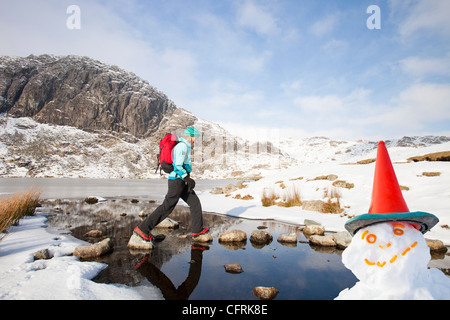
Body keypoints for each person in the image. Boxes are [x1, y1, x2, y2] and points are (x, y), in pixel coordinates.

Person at [128, 126, 211, 249]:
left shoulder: (186, 146)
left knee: (195, 203)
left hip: (181, 180)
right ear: (190, 136)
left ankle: (197, 231)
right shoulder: (182, 146)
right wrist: (187, 178)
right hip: (177, 181)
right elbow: (177, 165)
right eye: (195, 138)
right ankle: (142, 229)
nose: (196, 141)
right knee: (167, 207)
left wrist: (186, 179)